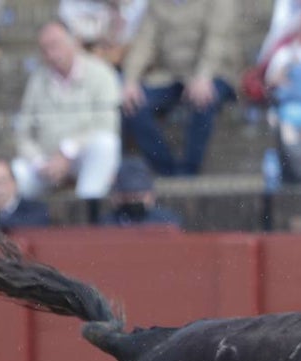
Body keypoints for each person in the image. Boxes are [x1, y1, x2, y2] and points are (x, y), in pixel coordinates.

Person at [120, 0, 240, 176]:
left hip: (216, 73)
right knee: (133, 106)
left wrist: (203, 75)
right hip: (170, 76)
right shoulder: (156, 5)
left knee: (203, 100)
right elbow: (144, 43)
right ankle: (168, 170)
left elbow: (217, 39)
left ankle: (190, 170)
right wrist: (130, 79)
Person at [13, 20, 121, 200]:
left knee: (106, 143)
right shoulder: (37, 81)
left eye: (55, 45)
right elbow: (22, 134)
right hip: (47, 163)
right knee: (17, 172)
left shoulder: (101, 74)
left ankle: (87, 206)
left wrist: (67, 152)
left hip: (83, 158)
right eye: (44, 48)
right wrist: (40, 162)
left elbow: (106, 125)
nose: (50, 54)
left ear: (74, 43)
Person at [98, 156, 182, 227]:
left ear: (151, 195)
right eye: (127, 197)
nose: (132, 202)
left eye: (138, 197)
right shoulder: (106, 223)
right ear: (115, 197)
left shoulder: (166, 221)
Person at [58, 0, 148, 66]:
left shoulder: (140, 5)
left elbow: (139, 44)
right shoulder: (70, 6)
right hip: (85, 61)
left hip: (127, 65)